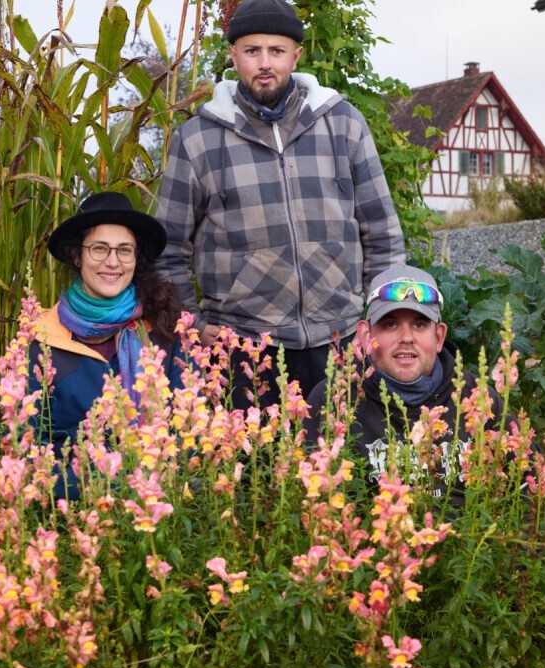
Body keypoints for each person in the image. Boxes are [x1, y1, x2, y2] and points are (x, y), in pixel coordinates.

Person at [154, 0, 404, 408]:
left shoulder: (343, 124)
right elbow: (168, 251)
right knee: (253, 470)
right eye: (252, 51)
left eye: (277, 51)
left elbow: (383, 236)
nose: (265, 63)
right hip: (245, 350)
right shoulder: (197, 140)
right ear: (233, 56)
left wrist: (382, 320)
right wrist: (194, 325)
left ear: (296, 55)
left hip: (339, 342)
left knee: (342, 466)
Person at [304, 265, 545, 525]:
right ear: (365, 335)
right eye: (391, 324)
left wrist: (495, 538)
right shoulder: (333, 399)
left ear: (439, 336)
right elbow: (308, 499)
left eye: (420, 324)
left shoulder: (477, 398)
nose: (406, 337)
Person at [31, 192, 186, 501]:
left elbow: (187, 429)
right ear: (78, 256)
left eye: (124, 250)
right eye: (99, 249)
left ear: (136, 258)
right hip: (68, 513)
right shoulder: (42, 339)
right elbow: (29, 443)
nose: (113, 262)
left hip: (154, 512)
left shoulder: (163, 332)